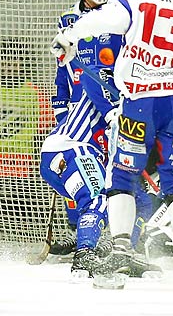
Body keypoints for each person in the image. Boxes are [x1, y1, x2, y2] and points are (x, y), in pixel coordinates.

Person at [53, 0, 173, 289]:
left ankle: (121, 247)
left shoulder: (132, 3)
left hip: (140, 102)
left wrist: (66, 37)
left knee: (122, 176)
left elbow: (94, 21)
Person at [39, 55, 118, 276]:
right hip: (72, 148)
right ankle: (84, 255)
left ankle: (96, 240)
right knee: (97, 198)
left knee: (120, 197)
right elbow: (91, 74)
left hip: (73, 156)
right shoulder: (111, 76)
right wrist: (110, 113)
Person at [0, 39, 53, 242]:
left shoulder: (34, 93)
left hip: (22, 160)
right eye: (6, 61)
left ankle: (29, 237)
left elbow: (45, 124)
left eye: (16, 62)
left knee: (25, 205)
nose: (10, 67)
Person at [52, 0, 121, 118]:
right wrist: (60, 105)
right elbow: (63, 66)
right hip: (80, 104)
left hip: (114, 103)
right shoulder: (68, 19)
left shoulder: (119, 15)